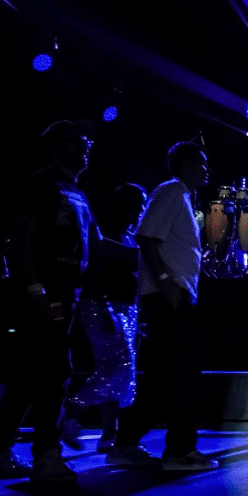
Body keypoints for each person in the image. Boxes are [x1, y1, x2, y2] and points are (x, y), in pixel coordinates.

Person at [0, 121, 97, 485]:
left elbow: (94, 243)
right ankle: (47, 456)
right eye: (78, 141)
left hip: (68, 293)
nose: (85, 147)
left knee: (29, 374)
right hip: (44, 293)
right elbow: (22, 240)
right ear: (55, 146)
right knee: (55, 373)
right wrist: (35, 291)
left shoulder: (76, 190)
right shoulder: (41, 184)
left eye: (87, 142)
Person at [106, 142, 218, 471]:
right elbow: (146, 237)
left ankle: (126, 444)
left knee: (160, 375)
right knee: (182, 374)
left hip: (172, 294)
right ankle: (179, 451)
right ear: (183, 163)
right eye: (201, 161)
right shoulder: (171, 192)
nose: (206, 169)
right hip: (169, 296)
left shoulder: (180, 195)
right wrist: (168, 281)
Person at [64, 183, 147, 451]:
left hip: (125, 308)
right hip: (103, 306)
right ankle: (72, 411)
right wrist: (107, 309)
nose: (142, 209)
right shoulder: (106, 233)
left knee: (117, 371)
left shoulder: (127, 234)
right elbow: (95, 274)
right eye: (138, 204)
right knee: (117, 369)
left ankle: (109, 434)